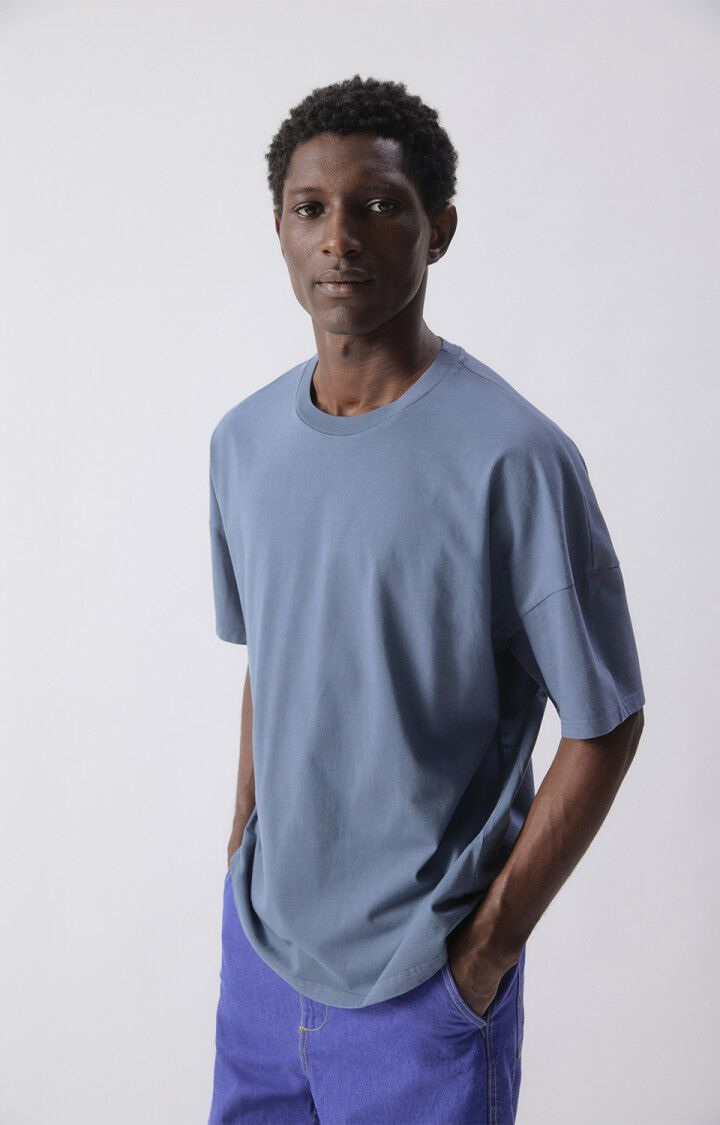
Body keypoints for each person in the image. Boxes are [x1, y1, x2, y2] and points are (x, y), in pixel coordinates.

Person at [206, 74, 646, 1125]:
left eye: (379, 205)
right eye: (311, 207)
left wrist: (485, 952)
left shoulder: (514, 457)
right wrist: (240, 850)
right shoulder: (243, 443)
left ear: (439, 228)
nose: (339, 237)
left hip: (422, 987)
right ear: (279, 229)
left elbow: (607, 720)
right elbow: (274, 655)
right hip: (261, 962)